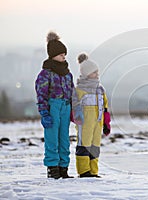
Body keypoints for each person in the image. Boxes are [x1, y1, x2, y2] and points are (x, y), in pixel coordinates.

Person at [35, 31, 74, 179]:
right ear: (52, 55)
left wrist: (73, 109)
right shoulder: (46, 73)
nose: (64, 56)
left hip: (65, 106)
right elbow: (41, 94)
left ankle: (63, 168)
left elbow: (72, 92)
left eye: (65, 53)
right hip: (53, 107)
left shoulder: (67, 73)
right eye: (61, 53)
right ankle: (53, 169)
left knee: (64, 139)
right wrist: (44, 112)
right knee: (52, 138)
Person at [72, 53, 111, 178]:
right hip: (85, 124)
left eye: (97, 72)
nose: (97, 74)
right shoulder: (79, 90)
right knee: (84, 145)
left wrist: (106, 123)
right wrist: (77, 117)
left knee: (95, 147)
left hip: (98, 123)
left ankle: (93, 171)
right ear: (86, 74)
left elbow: (105, 107)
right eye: (94, 72)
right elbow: (74, 105)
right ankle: (84, 171)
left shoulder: (100, 90)